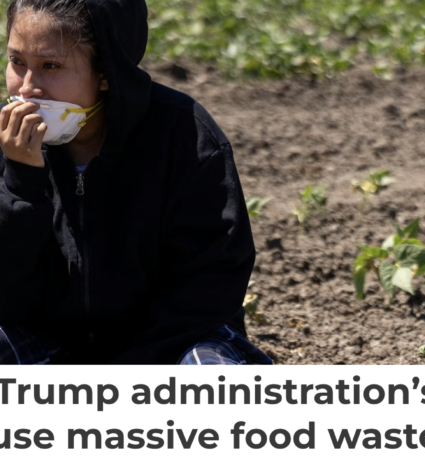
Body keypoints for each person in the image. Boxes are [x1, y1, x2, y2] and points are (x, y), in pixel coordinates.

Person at [0, 0, 272, 365]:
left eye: (51, 66)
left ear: (106, 71)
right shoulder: (8, 142)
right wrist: (21, 182)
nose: (28, 88)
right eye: (17, 62)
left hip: (168, 347)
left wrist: (128, 376)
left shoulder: (184, 136)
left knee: (211, 377)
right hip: (54, 348)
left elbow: (209, 287)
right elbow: (8, 296)